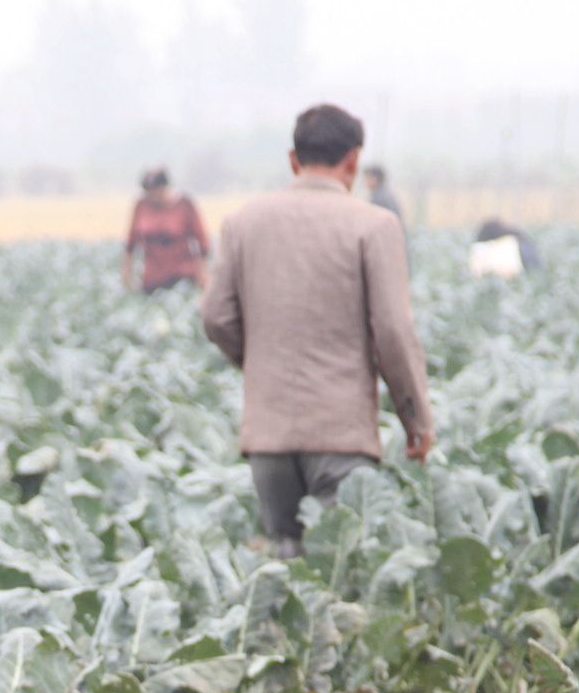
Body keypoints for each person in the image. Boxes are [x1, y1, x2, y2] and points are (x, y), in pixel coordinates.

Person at [200, 104, 434, 560]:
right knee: (335, 577)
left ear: (293, 160)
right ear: (353, 161)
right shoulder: (374, 226)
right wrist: (415, 418)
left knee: (286, 575)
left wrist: (260, 362)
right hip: (340, 433)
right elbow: (393, 332)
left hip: (269, 438)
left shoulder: (242, 223)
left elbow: (214, 317)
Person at [122, 167, 209, 292]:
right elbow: (130, 244)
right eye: (148, 191)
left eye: (155, 190)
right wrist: (127, 277)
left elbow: (202, 244)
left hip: (182, 278)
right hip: (152, 280)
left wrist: (204, 276)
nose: (152, 195)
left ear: (164, 187)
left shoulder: (184, 205)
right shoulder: (142, 206)